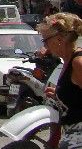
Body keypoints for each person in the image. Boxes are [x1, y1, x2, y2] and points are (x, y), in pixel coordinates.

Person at [39, 13, 82, 148]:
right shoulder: (66, 62)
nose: (45, 46)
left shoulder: (78, 62)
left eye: (45, 40)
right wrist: (58, 94)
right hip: (71, 134)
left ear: (58, 39)